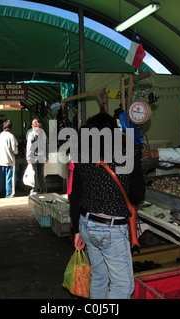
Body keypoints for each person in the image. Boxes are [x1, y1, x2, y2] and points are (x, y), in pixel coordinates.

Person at [69, 112, 145, 299]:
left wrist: (77, 229)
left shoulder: (81, 155)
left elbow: (74, 194)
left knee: (99, 277)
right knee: (123, 286)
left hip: (87, 224)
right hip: (110, 228)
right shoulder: (127, 153)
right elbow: (137, 195)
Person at [0, 120, 18, 198]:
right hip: (9, 161)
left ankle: (1, 192)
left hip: (0, 160)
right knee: (10, 178)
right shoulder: (11, 136)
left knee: (1, 178)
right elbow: (15, 151)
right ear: (11, 127)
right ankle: (9, 193)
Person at [26, 118, 47, 195]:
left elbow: (29, 146)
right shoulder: (43, 133)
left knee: (34, 174)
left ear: (32, 125)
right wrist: (46, 156)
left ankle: (34, 190)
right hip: (41, 157)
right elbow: (46, 145)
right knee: (41, 174)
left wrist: (28, 157)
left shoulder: (31, 134)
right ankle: (44, 190)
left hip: (33, 157)